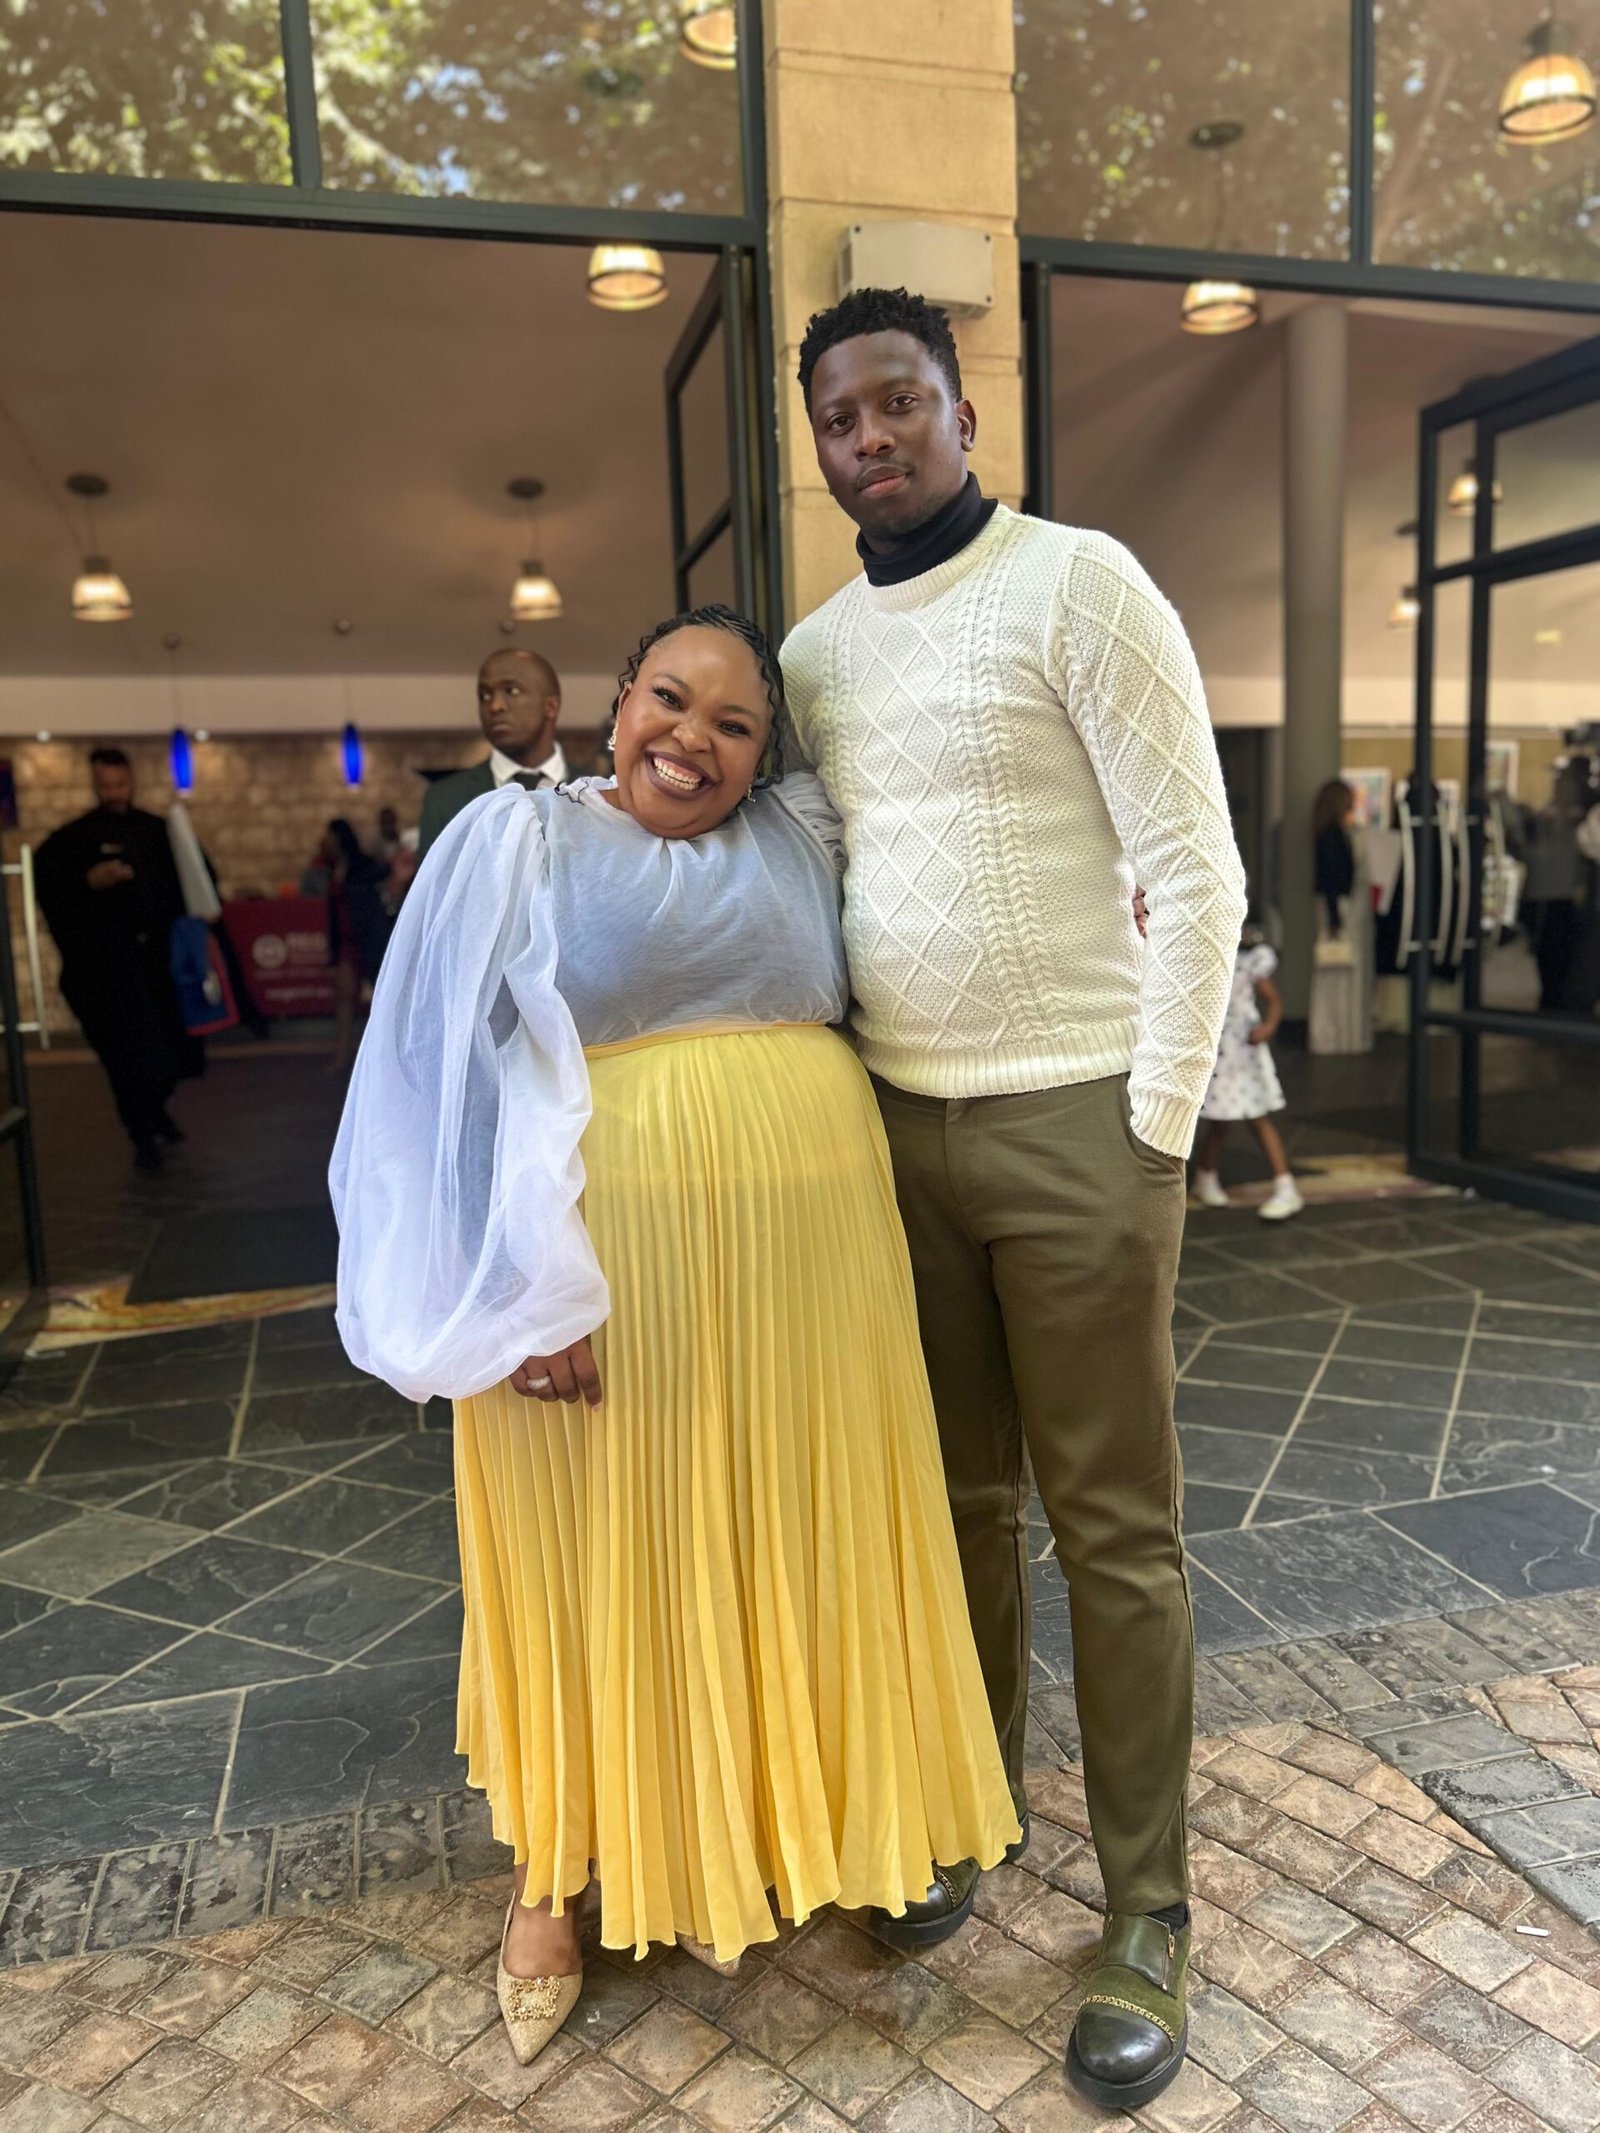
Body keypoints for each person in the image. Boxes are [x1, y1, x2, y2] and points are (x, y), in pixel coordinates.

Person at [331, 606, 1019, 2068]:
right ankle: (553, 1876)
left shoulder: (804, 835)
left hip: (810, 1281)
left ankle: (769, 1830)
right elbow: (444, 1084)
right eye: (668, 698)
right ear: (616, 703)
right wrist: (519, 1298)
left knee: (789, 1534)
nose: (690, 738)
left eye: (732, 723)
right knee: (597, 1550)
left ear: (770, 754)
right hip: (602, 1281)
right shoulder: (517, 841)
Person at [781, 287, 1246, 2112]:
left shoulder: (1080, 584)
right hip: (899, 1134)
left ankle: (1149, 1912)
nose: (873, 437)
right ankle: (971, 1813)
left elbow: (1194, 868)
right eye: (842, 418)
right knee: (959, 1511)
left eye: (901, 401)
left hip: (1075, 1122)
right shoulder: (816, 657)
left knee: (1111, 1527)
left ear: (964, 414)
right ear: (821, 452)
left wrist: (1155, 1127)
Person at [34, 747, 203, 1172]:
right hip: (107, 973)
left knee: (170, 1055)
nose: (113, 793)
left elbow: (191, 883)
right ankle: (142, 1133)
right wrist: (88, 883)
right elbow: (53, 887)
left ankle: (155, 1113)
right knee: (127, 1060)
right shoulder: (72, 842)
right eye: (105, 785)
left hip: (157, 968)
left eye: (120, 784)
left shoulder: (155, 831)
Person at [1192, 921, 1302, 1219]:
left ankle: (1285, 1185)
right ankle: (1206, 1175)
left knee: (1256, 1116)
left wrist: (1267, 1027)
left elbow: (1274, 1001)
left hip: (1242, 1048)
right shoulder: (1207, 960)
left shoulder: (1247, 963)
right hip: (1219, 1049)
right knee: (1219, 1118)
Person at [417, 647, 567, 858]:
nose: (494, 706)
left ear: (551, 706)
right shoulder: (444, 801)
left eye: (511, 691)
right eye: (485, 695)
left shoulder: (602, 793)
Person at [323, 819, 393, 1073]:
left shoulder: (361, 865)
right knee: (344, 998)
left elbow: (382, 874)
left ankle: (380, 1058)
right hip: (345, 939)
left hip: (366, 938)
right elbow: (332, 913)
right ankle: (343, 1054)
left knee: (378, 999)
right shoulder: (334, 868)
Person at [1309, 778, 1371, 1055]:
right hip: (1339, 908)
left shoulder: (1329, 834)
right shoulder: (1333, 836)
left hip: (1335, 907)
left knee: (1334, 969)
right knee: (1340, 970)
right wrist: (1335, 918)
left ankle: (1334, 1034)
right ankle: (1337, 1034)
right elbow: (1333, 881)